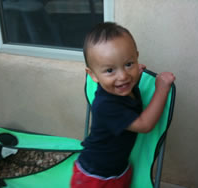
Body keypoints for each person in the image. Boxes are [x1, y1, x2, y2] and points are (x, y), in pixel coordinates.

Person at [70, 22, 175, 188]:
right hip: (96, 176)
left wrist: (136, 77)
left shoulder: (122, 88)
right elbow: (145, 124)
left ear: (136, 57)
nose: (123, 76)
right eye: (110, 70)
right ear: (93, 75)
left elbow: (126, 85)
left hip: (118, 169)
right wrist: (161, 89)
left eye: (128, 64)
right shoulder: (105, 106)